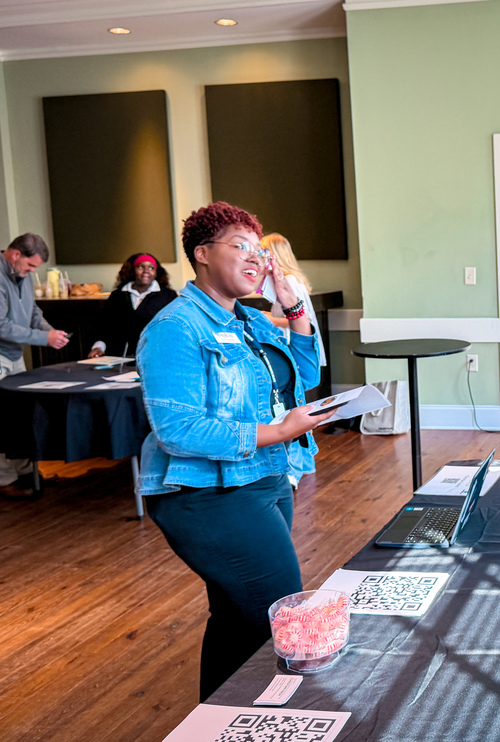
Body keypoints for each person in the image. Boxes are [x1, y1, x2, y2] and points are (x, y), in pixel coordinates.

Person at [136, 202, 322, 701]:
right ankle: (273, 719)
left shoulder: (251, 321)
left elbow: (303, 378)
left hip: (263, 479)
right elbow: (179, 430)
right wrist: (279, 433)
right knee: (275, 615)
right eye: (239, 246)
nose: (254, 259)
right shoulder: (175, 327)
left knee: (238, 617)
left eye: (258, 251)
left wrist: (296, 311)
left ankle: (217, 721)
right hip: (206, 493)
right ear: (201, 254)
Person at [0, 233, 69, 499]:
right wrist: (43, 338)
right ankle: (5, 481)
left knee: (17, 416)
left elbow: (33, 313)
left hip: (14, 354)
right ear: (16, 254)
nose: (31, 272)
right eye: (30, 266)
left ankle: (27, 473)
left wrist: (52, 332)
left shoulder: (24, 276)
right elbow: (2, 326)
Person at [258, 233, 326, 489]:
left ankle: (298, 464)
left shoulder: (288, 282)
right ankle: (302, 463)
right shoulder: (287, 280)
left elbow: (299, 320)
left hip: (295, 347)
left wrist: (267, 318)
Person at [86, 253, 177, 359]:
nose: (146, 271)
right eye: (141, 267)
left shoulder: (168, 296)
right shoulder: (117, 296)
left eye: (151, 268)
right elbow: (104, 327)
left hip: (155, 357)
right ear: (132, 270)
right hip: (119, 358)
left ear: (156, 273)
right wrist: (98, 347)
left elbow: (172, 330)